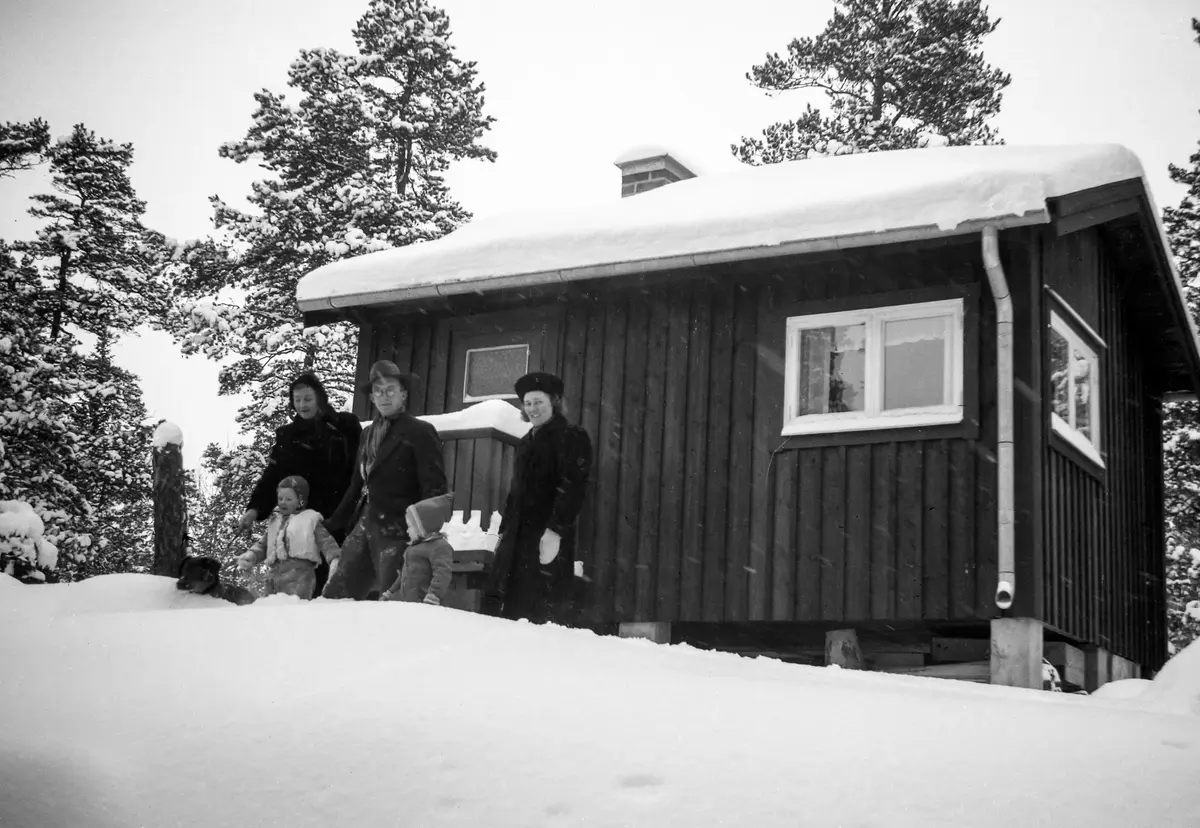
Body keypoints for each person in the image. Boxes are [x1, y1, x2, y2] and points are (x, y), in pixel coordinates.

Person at [323, 361, 448, 601]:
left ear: (403, 393)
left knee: (395, 596)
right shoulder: (368, 434)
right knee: (338, 593)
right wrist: (333, 522)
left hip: (399, 528)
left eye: (390, 389)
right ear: (371, 397)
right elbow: (357, 485)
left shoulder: (419, 431)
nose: (384, 396)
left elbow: (435, 486)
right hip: (365, 523)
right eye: (378, 391)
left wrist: (424, 529)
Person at [239, 371, 361, 597]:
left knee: (333, 585)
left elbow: (357, 472)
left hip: (337, 517)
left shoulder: (343, 427)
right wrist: (254, 509)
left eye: (308, 399)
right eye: (297, 400)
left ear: (320, 398)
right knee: (297, 590)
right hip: (299, 526)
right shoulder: (287, 436)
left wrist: (348, 512)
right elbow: (271, 476)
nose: (302, 405)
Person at [484, 371, 592, 625]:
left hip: (546, 533)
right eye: (528, 403)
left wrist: (555, 530)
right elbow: (516, 490)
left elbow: (574, 485)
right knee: (507, 604)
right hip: (517, 535)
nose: (533, 409)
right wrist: (504, 530)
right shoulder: (525, 442)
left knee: (540, 607)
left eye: (539, 402)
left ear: (553, 402)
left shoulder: (572, 436)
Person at [236, 475, 341, 599]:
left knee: (294, 608)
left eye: (288, 499)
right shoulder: (275, 522)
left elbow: (326, 541)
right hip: (273, 576)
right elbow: (263, 545)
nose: (282, 502)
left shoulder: (309, 520)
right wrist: (251, 556)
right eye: (280, 498)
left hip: (300, 575)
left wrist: (334, 558)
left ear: (301, 501)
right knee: (271, 609)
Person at [380, 492, 456, 605]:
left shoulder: (439, 546)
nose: (407, 531)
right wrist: (390, 592)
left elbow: (442, 573)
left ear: (423, 527)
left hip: (426, 603)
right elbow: (403, 575)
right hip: (409, 602)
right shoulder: (412, 548)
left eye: (410, 526)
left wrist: (433, 595)